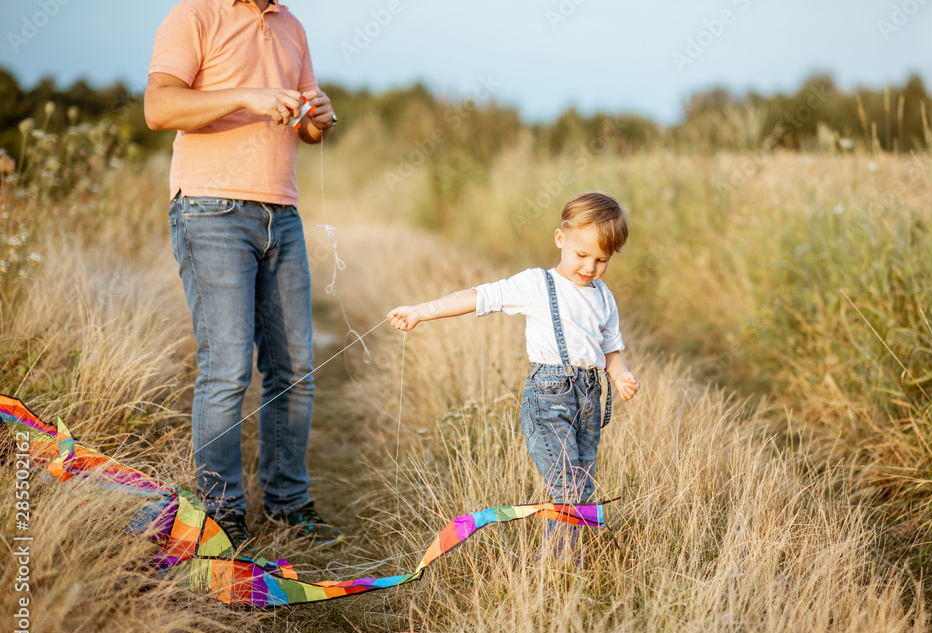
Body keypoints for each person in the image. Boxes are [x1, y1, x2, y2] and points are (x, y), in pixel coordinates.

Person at [145, 0, 343, 549]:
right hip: (209, 210)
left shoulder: (292, 26)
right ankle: (220, 512)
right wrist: (245, 97)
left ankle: (288, 502)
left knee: (296, 366)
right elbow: (158, 109)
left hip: (281, 214)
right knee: (228, 367)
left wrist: (319, 117)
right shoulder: (194, 14)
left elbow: (308, 129)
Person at [387, 191, 640, 561]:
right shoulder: (537, 285)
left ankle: (565, 562)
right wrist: (421, 312)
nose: (590, 267)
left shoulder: (603, 297)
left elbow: (610, 350)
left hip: (588, 398)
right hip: (548, 399)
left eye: (602, 260)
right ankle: (552, 567)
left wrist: (621, 375)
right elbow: (477, 297)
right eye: (582, 255)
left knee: (580, 489)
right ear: (560, 239)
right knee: (566, 487)